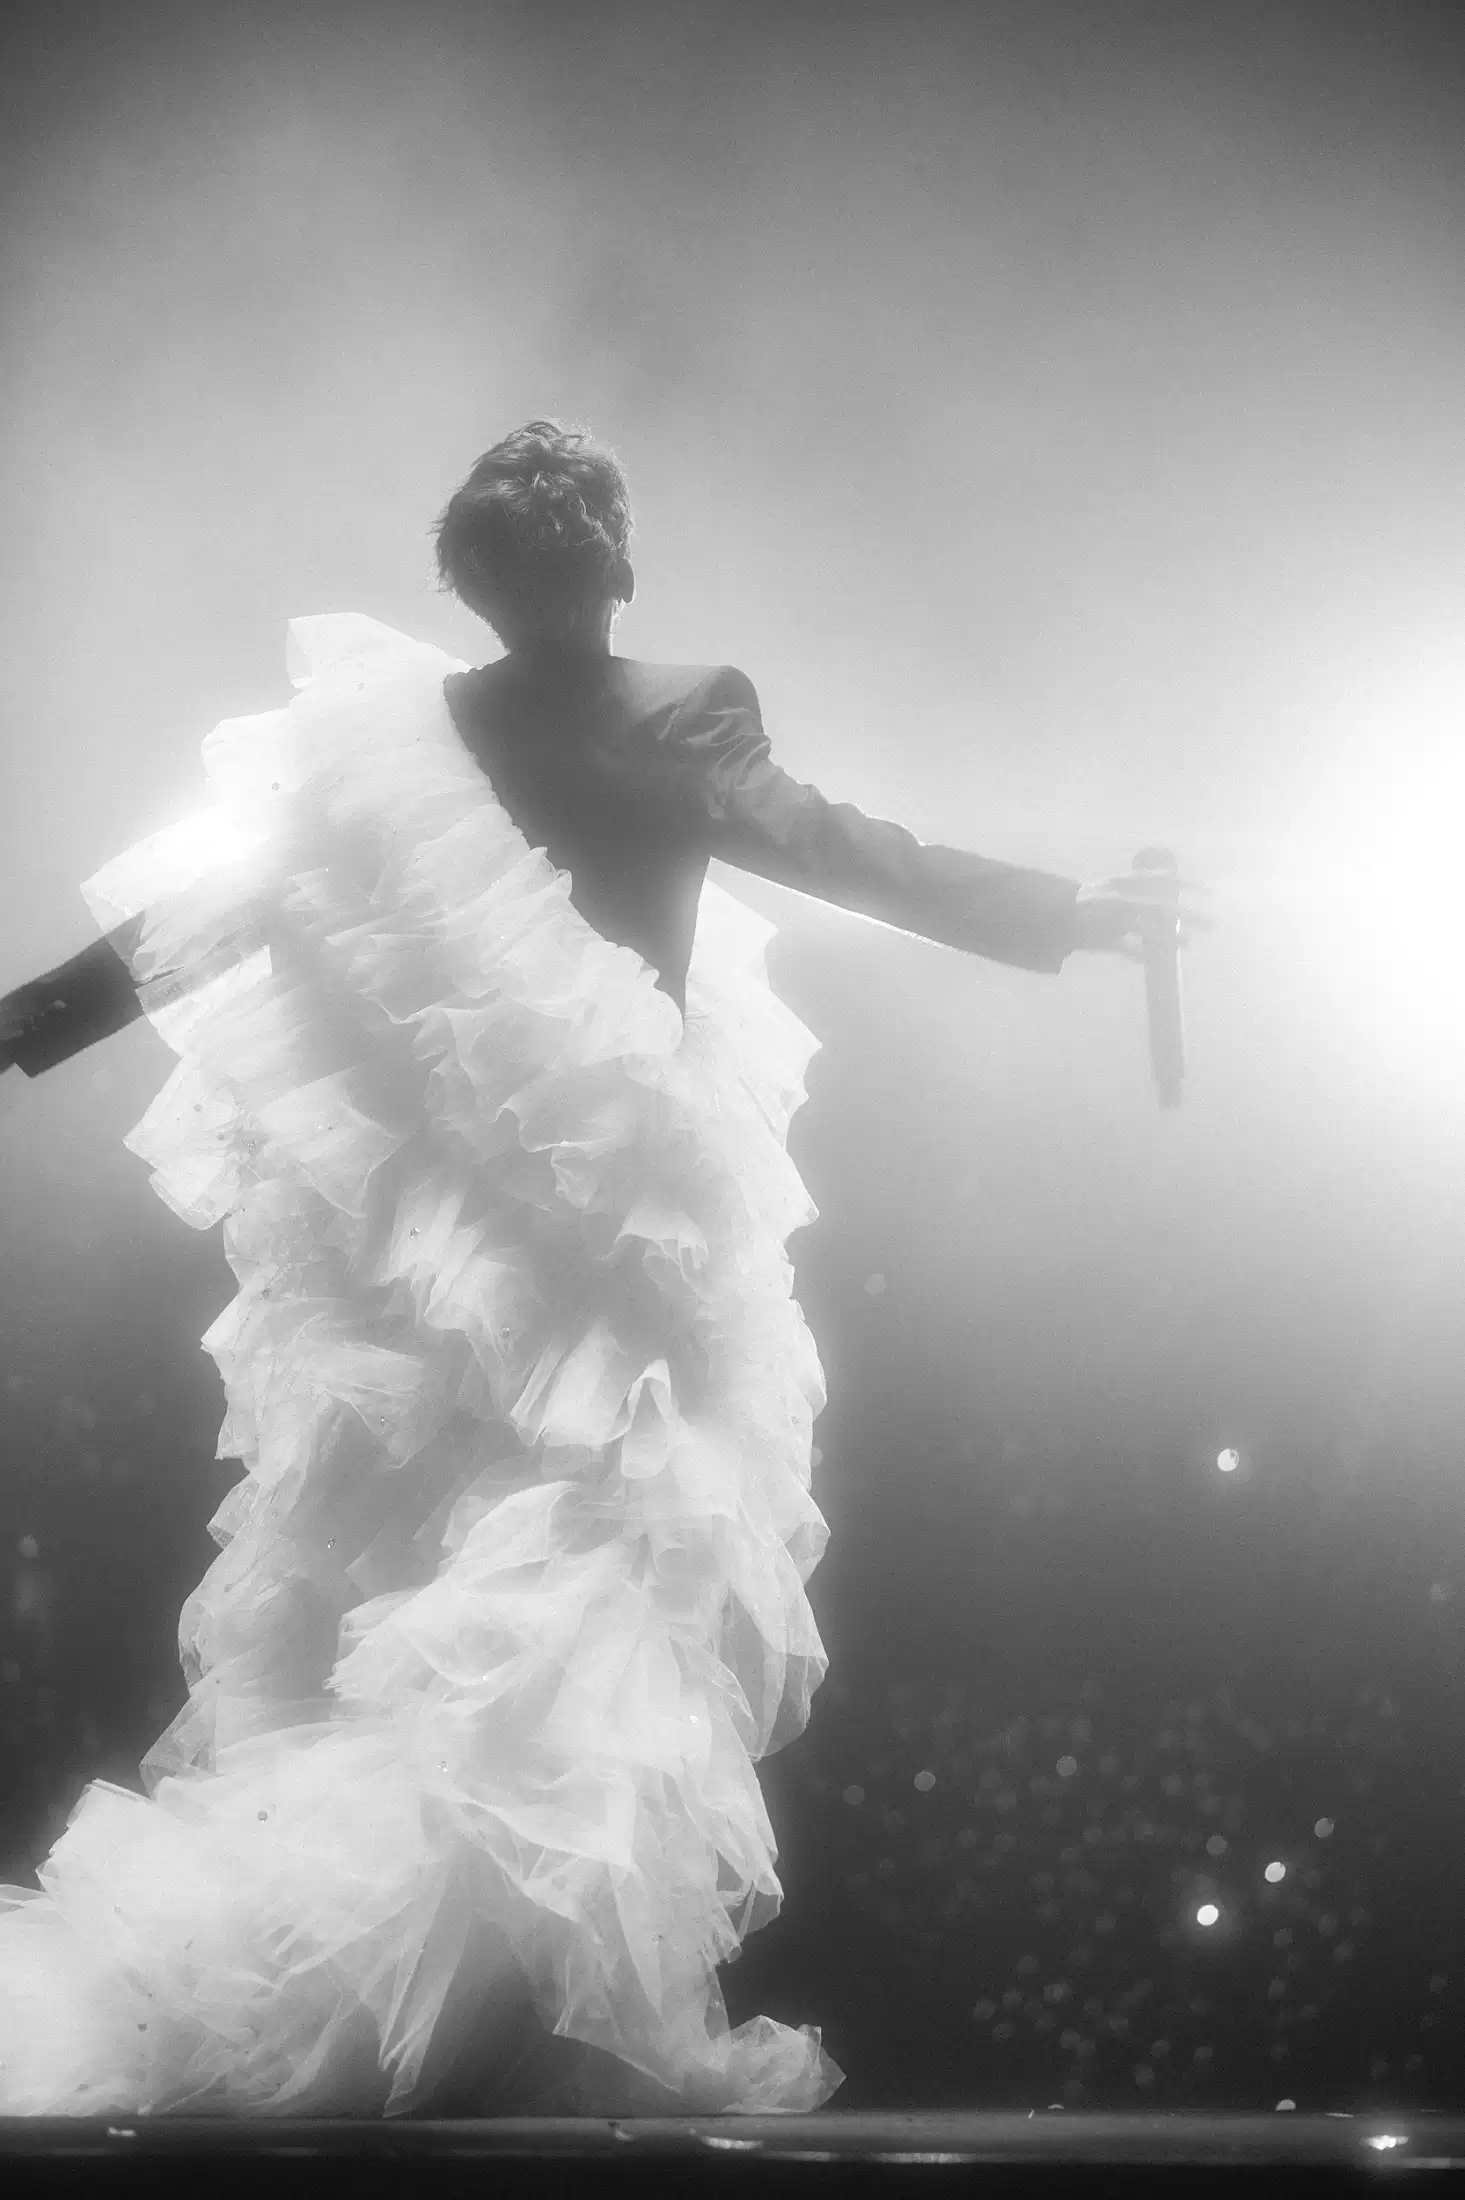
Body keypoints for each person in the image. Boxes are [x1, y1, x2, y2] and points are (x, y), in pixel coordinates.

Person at [0, 420, 1203, 2120]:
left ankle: (430, 2020)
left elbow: (201, 917)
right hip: (619, 1245)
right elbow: (839, 849)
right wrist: (1069, 913)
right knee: (588, 1603)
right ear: (619, 559)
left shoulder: (390, 741)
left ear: (469, 583)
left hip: (445, 1263)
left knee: (448, 1603)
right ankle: (467, 2018)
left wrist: (17, 1026)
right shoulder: (680, 708)